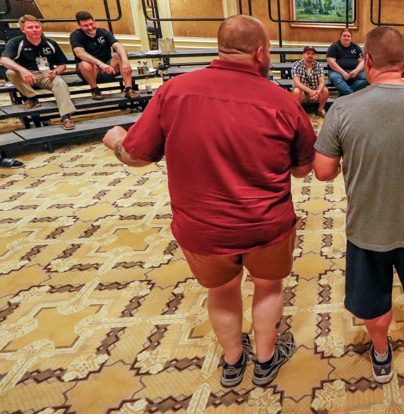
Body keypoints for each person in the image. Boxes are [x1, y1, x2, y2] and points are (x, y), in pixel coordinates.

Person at [103, 15, 316, 388]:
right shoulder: (282, 102)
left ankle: (233, 362)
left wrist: (115, 140)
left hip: (202, 228)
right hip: (266, 225)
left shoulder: (173, 91)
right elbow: (302, 171)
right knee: (268, 288)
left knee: (221, 291)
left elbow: (135, 157)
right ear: (261, 53)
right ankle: (266, 361)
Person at [313, 26, 404, 411]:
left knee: (374, 299)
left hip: (367, 229)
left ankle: (381, 355)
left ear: (367, 60)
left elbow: (323, 171)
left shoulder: (343, 109)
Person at [0, 15, 76, 130]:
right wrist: (23, 70)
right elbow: (4, 60)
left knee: (60, 83)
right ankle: (32, 98)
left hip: (46, 75)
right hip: (26, 75)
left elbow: (62, 65)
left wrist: (56, 71)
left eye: (37, 27)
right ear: (23, 30)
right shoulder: (16, 42)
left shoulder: (51, 43)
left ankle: (66, 117)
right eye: (30, 27)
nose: (35, 30)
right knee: (10, 72)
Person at [70, 11, 140, 100]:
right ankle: (95, 90)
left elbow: (118, 46)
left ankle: (129, 89)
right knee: (85, 64)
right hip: (89, 71)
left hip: (108, 68)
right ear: (79, 25)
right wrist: (100, 64)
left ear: (94, 21)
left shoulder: (103, 32)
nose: (90, 27)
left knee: (121, 55)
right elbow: (79, 53)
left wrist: (125, 61)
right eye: (85, 26)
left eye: (91, 24)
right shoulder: (76, 35)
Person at [326, 29, 368, 96]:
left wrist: (356, 71)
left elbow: (363, 61)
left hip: (353, 72)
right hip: (337, 72)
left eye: (348, 36)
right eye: (344, 36)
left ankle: (346, 93)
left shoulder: (355, 46)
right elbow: (330, 62)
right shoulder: (334, 46)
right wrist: (343, 73)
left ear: (351, 38)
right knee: (335, 77)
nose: (346, 38)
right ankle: (350, 95)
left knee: (366, 77)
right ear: (340, 37)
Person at [291, 45, 329, 117]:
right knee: (296, 91)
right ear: (303, 55)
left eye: (312, 54)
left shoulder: (318, 65)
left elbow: (322, 82)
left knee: (325, 90)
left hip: (315, 91)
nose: (310, 55)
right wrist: (310, 91)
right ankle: (296, 112)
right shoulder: (296, 65)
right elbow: (296, 82)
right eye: (308, 53)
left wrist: (317, 92)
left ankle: (320, 109)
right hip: (302, 90)